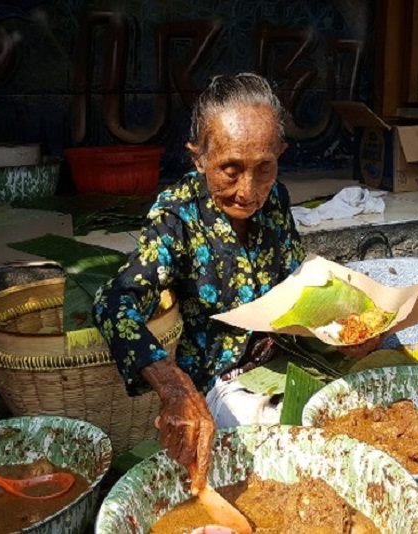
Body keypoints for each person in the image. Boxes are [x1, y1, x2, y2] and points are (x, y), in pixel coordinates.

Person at [94, 72, 379, 494]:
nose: (248, 191)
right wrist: (174, 388)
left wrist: (347, 326)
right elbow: (114, 302)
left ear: (279, 155)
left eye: (265, 168)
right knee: (296, 461)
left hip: (281, 362)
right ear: (199, 158)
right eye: (230, 170)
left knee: (361, 416)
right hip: (220, 387)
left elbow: (296, 282)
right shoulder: (177, 217)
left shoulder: (275, 199)